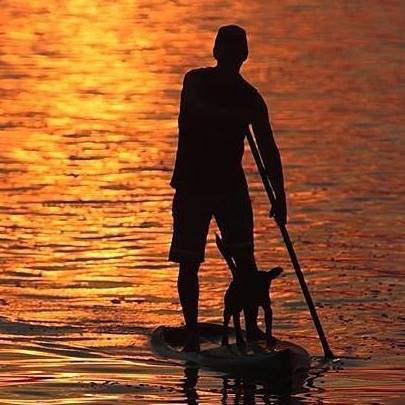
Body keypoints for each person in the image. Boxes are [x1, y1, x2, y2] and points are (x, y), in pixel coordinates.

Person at [169, 25, 287, 352]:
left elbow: (268, 148)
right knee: (189, 262)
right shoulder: (196, 81)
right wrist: (237, 116)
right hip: (193, 184)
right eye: (227, 47)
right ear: (217, 51)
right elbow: (200, 109)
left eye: (239, 49)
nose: (233, 54)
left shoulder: (251, 97)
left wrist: (280, 196)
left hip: (230, 188)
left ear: (245, 55)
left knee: (246, 261)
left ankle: (251, 331)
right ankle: (192, 333)